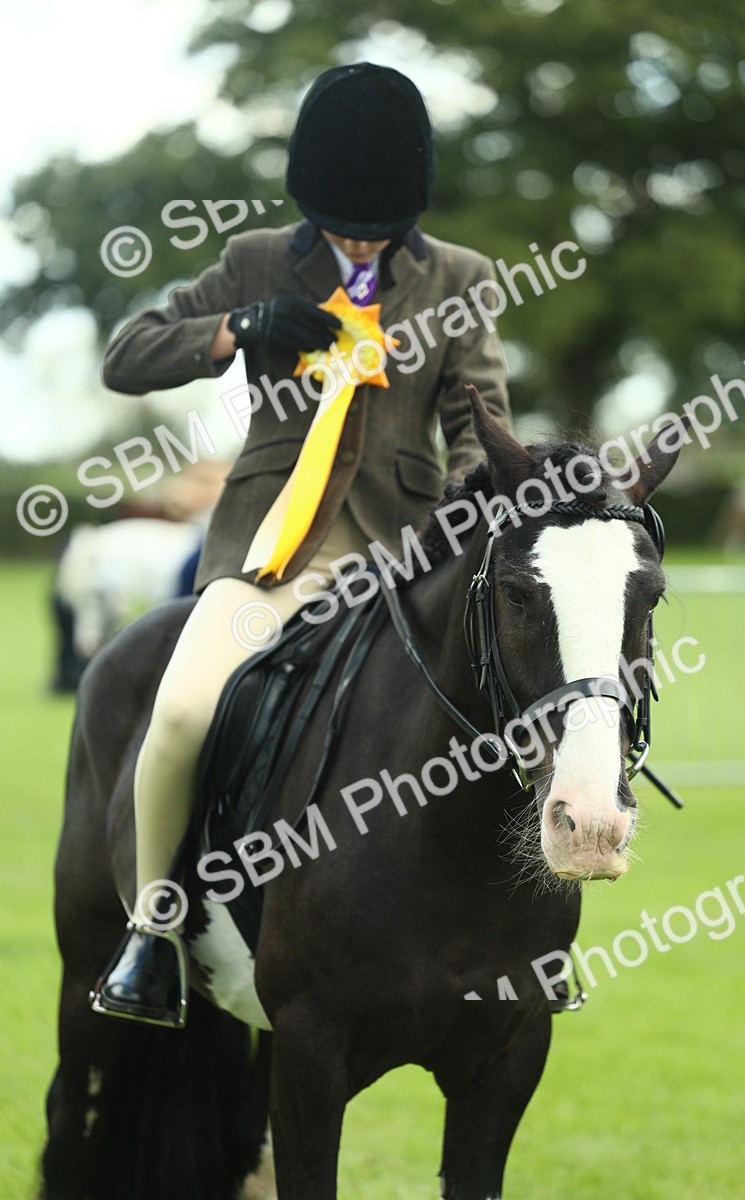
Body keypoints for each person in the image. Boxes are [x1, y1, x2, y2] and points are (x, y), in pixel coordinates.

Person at [93, 62, 511, 1026]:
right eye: (342, 225)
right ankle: (152, 933)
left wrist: (466, 508)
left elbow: (477, 420)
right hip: (270, 557)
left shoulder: (460, 278)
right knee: (182, 712)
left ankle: (524, 938)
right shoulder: (254, 261)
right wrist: (234, 328)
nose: (358, 242)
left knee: (513, 706)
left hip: (404, 564)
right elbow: (127, 354)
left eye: (376, 228)